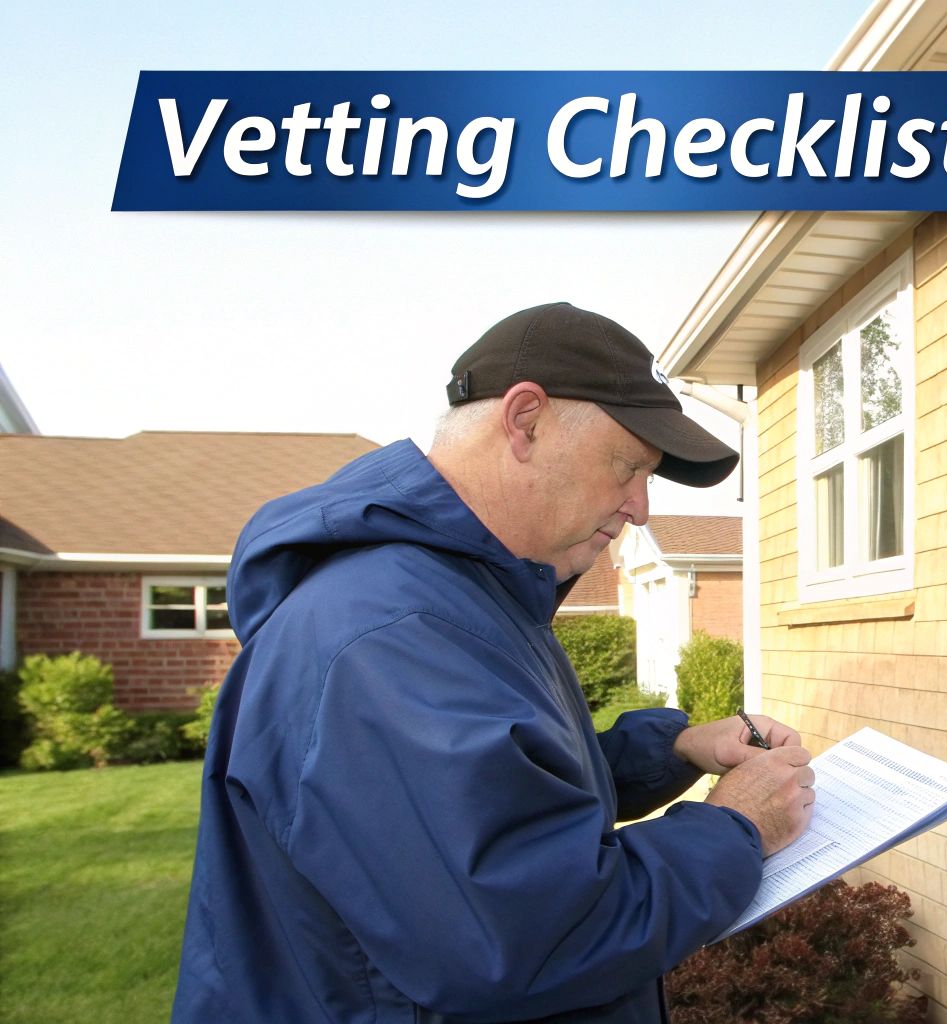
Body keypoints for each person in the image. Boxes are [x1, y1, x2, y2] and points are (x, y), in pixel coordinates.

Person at [173, 302, 816, 1022]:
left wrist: (673, 749)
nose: (640, 507)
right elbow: (532, 937)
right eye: (629, 466)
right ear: (525, 420)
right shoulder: (391, 637)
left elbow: (500, 793)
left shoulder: (465, 595)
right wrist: (738, 827)